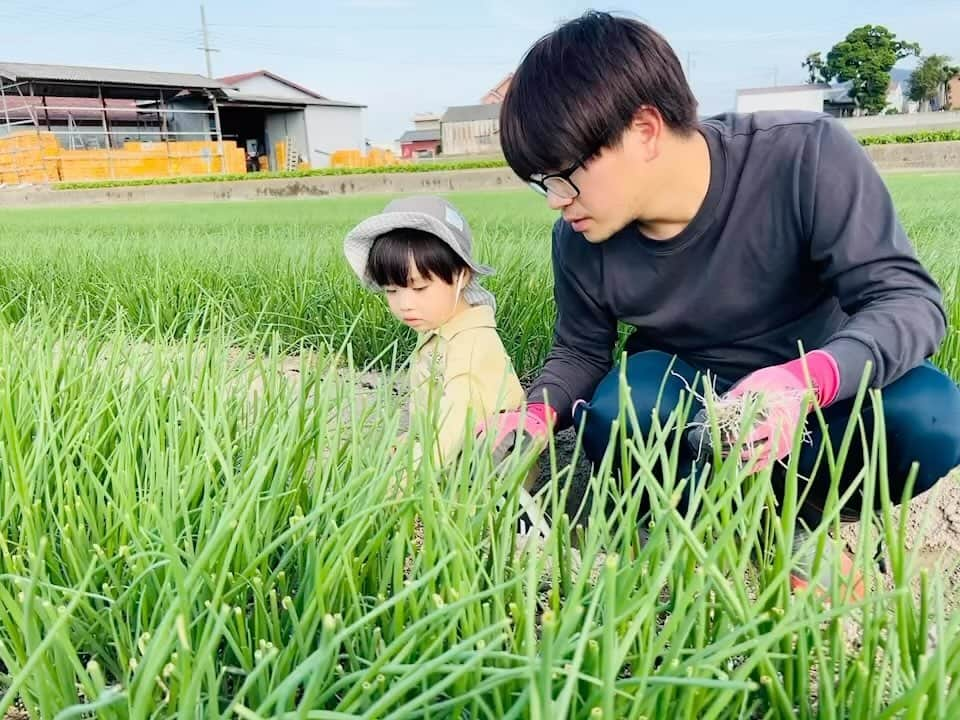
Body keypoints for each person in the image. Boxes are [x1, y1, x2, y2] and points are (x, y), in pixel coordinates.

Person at [484, 10, 960, 598]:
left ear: (644, 131)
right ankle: (744, 536)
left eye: (563, 176)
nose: (557, 201)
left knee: (932, 415)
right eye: (542, 184)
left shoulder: (804, 157)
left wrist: (800, 382)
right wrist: (534, 414)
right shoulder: (581, 240)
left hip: (815, 396)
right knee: (619, 408)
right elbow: (580, 349)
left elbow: (907, 301)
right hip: (687, 409)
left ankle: (800, 523)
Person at [344, 195, 528, 471]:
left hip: (482, 483)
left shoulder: (471, 344)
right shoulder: (442, 329)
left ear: (462, 276)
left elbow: (454, 427)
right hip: (451, 458)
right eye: (391, 291)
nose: (405, 304)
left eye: (419, 288)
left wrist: (407, 474)